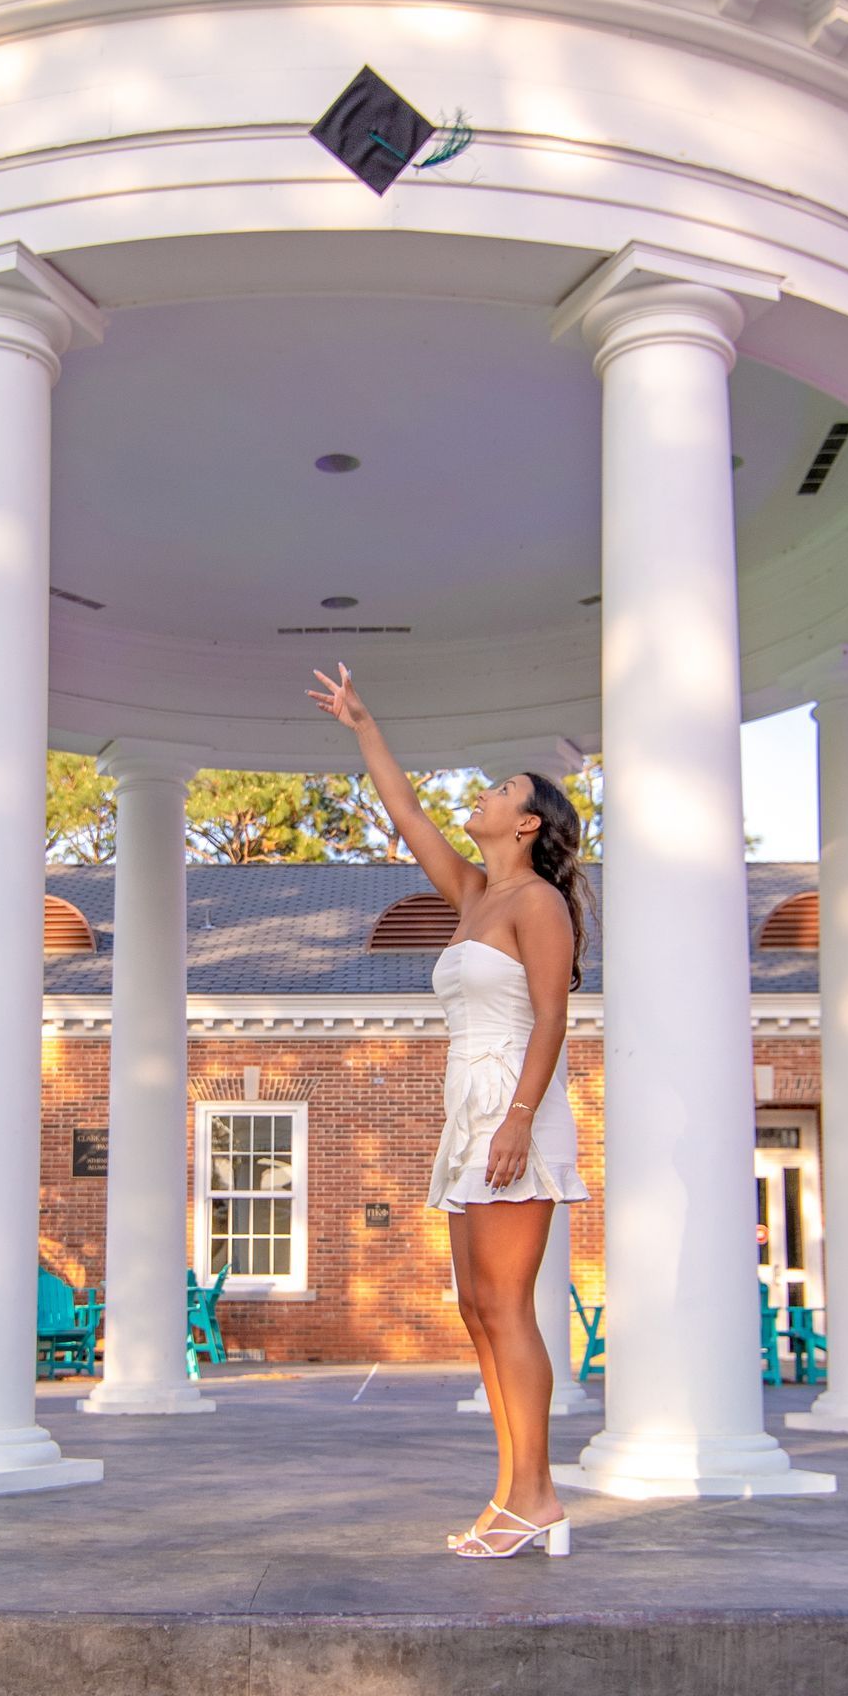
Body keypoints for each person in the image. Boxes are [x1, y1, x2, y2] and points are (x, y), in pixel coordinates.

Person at [310, 664, 591, 1557]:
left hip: (517, 1106)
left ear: (529, 822)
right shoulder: (476, 897)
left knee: (509, 1307)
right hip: (465, 1110)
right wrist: (364, 725)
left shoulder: (540, 902)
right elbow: (407, 817)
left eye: (501, 790)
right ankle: (511, 1492)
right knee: (476, 1308)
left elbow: (553, 1015)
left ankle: (536, 1497)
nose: (483, 794)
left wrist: (516, 1120)